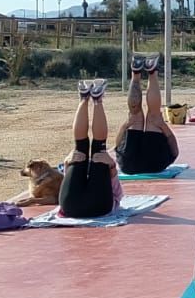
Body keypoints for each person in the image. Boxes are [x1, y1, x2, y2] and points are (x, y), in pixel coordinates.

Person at [58, 79, 122, 218]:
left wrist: (67, 162)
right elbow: (117, 193)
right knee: (96, 153)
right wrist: (111, 165)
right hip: (94, 207)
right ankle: (93, 99)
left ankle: (86, 98)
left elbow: (117, 193)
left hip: (73, 206)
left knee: (85, 150)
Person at [112, 53, 179, 175]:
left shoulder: (165, 160)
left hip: (134, 163)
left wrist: (163, 125)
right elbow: (116, 146)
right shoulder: (160, 162)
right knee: (140, 116)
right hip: (150, 163)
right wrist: (125, 125)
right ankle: (138, 72)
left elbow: (175, 151)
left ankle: (148, 71)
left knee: (146, 116)